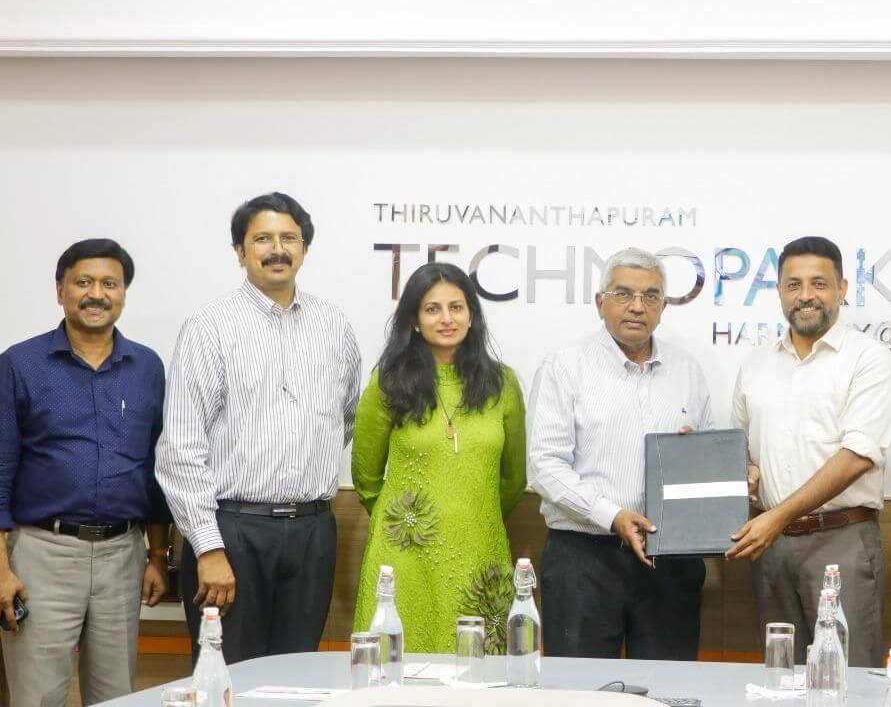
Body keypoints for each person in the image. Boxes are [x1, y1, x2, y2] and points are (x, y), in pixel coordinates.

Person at [155, 192, 362, 663]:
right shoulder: (210, 326)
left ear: (304, 248)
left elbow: (345, 415)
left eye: (289, 237)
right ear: (240, 252)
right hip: (233, 531)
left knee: (298, 673)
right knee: (226, 674)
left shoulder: (333, 325)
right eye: (262, 238)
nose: (277, 249)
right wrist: (208, 547)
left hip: (313, 530)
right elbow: (180, 449)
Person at [0, 239, 170, 705]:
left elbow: (155, 468)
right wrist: (0, 570)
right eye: (83, 282)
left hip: (122, 555)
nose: (97, 293)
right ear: (60, 291)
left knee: (116, 696)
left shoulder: (147, 367)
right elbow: (0, 466)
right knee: (37, 696)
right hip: (40, 555)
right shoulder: (20, 364)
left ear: (124, 293)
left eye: (109, 283)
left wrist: (157, 554)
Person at [527, 247, 714, 659]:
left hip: (669, 560)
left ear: (664, 306)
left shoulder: (688, 370)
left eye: (650, 296)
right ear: (600, 303)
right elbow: (544, 466)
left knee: (669, 691)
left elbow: (708, 452)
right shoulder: (565, 367)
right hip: (584, 558)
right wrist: (611, 516)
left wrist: (699, 458)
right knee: (579, 695)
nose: (637, 306)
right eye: (623, 294)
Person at [725, 236, 891, 667]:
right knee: (779, 681)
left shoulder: (867, 358)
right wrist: (741, 471)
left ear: (842, 287)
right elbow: (738, 446)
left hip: (841, 543)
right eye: (793, 284)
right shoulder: (756, 363)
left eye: (818, 283)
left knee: (849, 681)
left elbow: (857, 455)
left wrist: (775, 517)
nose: (805, 295)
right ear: (779, 291)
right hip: (771, 548)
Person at [351, 262, 525, 653]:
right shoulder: (388, 382)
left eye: (456, 307)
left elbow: (514, 479)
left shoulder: (503, 384)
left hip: (481, 550)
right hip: (406, 553)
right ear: (414, 320)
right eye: (432, 309)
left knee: (480, 675)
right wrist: (406, 522)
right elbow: (365, 476)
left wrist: (474, 516)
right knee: (399, 671)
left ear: (472, 315)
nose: (446, 319)